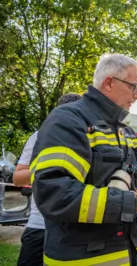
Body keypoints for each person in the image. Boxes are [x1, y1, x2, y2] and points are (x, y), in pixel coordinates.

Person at [30, 53, 137, 265]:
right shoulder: (68, 121)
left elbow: (127, 187)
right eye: (134, 87)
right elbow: (54, 193)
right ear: (109, 83)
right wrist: (132, 203)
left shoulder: (126, 132)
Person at [13, 93, 82, 266]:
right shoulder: (38, 136)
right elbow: (17, 179)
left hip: (76, 228)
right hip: (39, 224)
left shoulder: (88, 138)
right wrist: (47, 165)